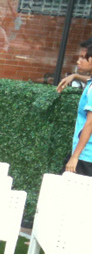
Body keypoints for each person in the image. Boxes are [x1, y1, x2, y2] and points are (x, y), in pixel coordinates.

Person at [58, 38, 92, 176]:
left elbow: (90, 123)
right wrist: (75, 76)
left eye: (83, 57)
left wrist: (75, 156)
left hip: (85, 156)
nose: (78, 61)